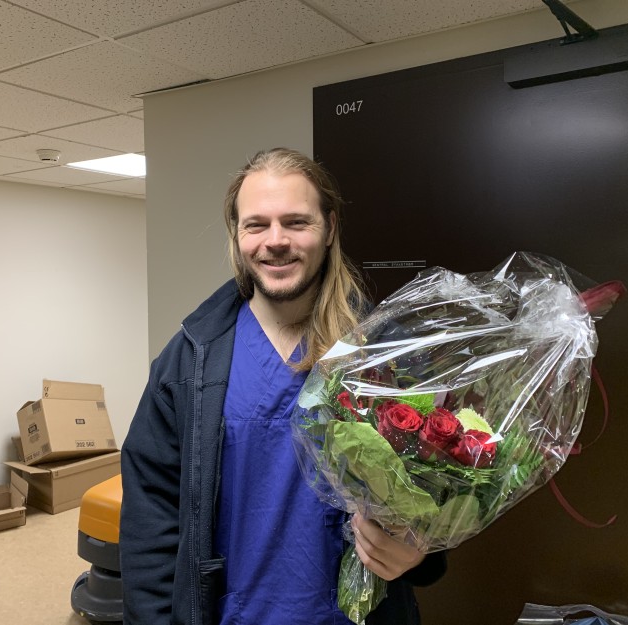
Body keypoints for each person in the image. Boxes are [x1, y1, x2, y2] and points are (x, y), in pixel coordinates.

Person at [120, 147, 447, 625]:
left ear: (329, 228)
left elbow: (436, 485)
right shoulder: (190, 361)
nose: (275, 241)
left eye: (296, 222)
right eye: (256, 224)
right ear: (237, 235)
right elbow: (151, 519)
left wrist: (421, 552)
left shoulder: (381, 350)